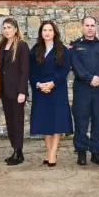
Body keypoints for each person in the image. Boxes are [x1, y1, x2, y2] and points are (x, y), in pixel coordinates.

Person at [30, 21, 73, 167]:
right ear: (41, 33)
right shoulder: (36, 49)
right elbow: (31, 70)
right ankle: (49, 153)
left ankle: (53, 154)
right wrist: (38, 84)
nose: (47, 33)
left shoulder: (62, 50)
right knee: (45, 123)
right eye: (44, 30)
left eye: (50, 30)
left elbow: (64, 69)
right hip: (41, 90)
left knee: (57, 122)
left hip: (57, 89)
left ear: (55, 33)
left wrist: (53, 83)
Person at [70, 17, 99, 166]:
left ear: (96, 27)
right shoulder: (75, 46)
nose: (90, 28)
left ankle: (96, 152)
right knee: (81, 121)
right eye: (87, 25)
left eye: (92, 25)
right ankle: (81, 152)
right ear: (82, 27)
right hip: (82, 88)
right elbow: (75, 65)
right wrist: (89, 78)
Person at [0, 17, 29, 166]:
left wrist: (22, 91)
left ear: (16, 29)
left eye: (9, 27)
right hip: (5, 90)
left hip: (17, 91)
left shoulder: (21, 45)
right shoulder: (1, 45)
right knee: (10, 121)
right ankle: (15, 150)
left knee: (17, 122)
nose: (6, 30)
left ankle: (18, 151)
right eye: (4, 28)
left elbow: (25, 70)